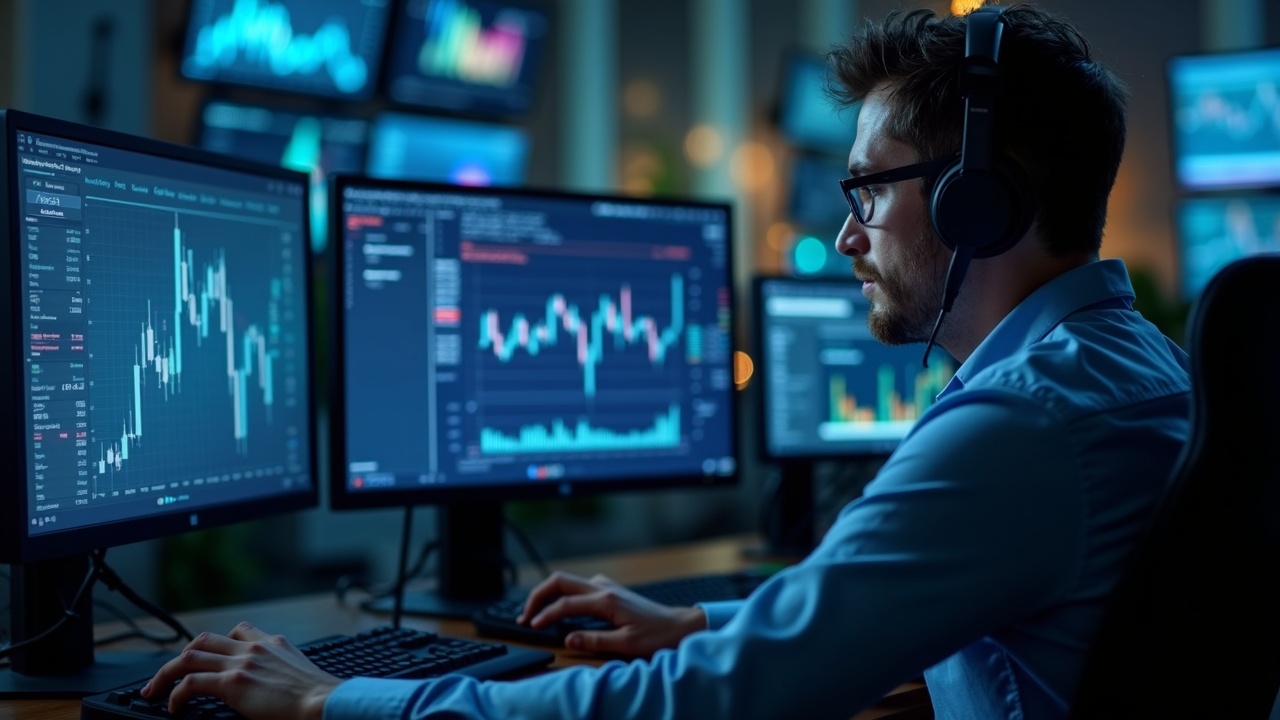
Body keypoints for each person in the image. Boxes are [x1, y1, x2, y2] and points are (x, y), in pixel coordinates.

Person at [140, 4, 1191, 718]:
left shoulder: (1018, 427)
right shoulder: (1126, 364)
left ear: (977, 199)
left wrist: (330, 699)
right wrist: (697, 619)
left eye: (868, 189)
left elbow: (706, 701)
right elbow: (906, 605)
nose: (845, 237)